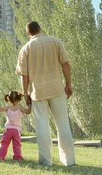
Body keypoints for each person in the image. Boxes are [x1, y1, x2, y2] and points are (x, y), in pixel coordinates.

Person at [16, 21, 75, 167]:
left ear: (28, 34)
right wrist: (68, 84)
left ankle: (45, 160)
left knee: (42, 126)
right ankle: (69, 160)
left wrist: (25, 94)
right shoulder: (56, 42)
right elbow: (65, 64)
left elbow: (24, 75)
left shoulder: (25, 49)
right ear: (40, 29)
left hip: (37, 92)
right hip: (56, 89)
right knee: (63, 125)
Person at [0, 91, 31, 160]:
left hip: (8, 130)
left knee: (4, 144)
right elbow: (28, 111)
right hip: (16, 130)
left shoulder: (8, 108)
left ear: (9, 100)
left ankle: (0, 156)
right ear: (19, 99)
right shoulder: (20, 108)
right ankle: (17, 157)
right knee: (17, 145)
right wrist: (30, 103)